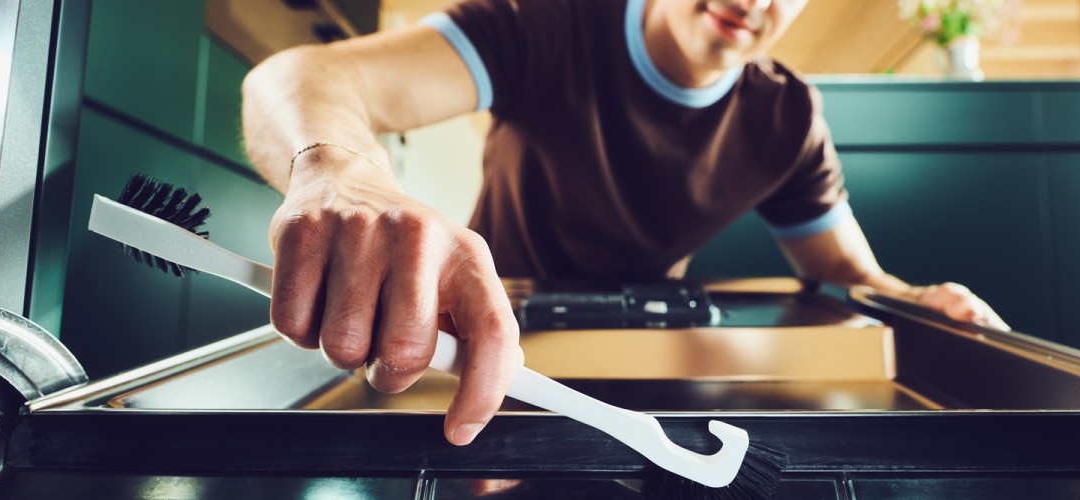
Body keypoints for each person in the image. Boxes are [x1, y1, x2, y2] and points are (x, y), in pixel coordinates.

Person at [241, 0, 1007, 447]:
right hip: (469, 351)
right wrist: (337, 167)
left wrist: (916, 297)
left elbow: (848, 274)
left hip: (650, 374)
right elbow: (303, 76)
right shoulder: (553, 23)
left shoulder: (787, 116)